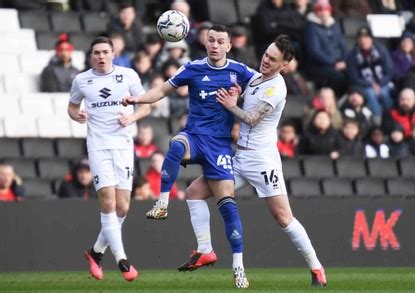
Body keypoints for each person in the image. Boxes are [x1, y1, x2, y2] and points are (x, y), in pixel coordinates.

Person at [179, 34, 327, 288]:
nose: (266, 60)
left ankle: (316, 268)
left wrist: (230, 104)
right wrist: (236, 95)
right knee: (193, 192)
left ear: (284, 65)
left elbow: (251, 119)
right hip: (239, 157)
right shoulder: (257, 78)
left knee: (283, 217)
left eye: (273, 59)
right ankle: (205, 249)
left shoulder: (276, 87)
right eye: (266, 54)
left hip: (262, 161)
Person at [122, 24, 255, 288]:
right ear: (205, 43)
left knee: (225, 204)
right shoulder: (192, 68)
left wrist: (241, 101)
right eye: (211, 40)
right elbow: (161, 90)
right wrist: (137, 99)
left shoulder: (241, 71)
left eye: (220, 41)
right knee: (175, 144)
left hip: (219, 145)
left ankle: (238, 267)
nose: (215, 45)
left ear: (229, 46)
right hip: (194, 136)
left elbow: (264, 86)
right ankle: (162, 203)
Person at [68, 36, 150, 282]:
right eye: (96, 53)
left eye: (105, 52)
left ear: (113, 53)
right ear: (91, 56)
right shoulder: (82, 80)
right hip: (98, 146)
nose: (101, 56)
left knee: (123, 207)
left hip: (123, 146)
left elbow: (145, 106)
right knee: (107, 203)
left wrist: (131, 118)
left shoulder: (128, 75)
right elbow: (71, 107)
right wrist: (77, 115)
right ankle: (122, 260)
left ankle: (96, 252)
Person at [346, 26, 394, 125]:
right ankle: (378, 122)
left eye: (366, 37)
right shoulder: (353, 55)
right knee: (370, 94)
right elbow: (353, 77)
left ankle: (392, 118)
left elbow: (389, 71)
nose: (363, 41)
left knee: (385, 94)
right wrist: (371, 84)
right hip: (365, 84)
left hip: (383, 82)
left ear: (371, 38)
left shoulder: (381, 50)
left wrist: (380, 84)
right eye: (361, 38)